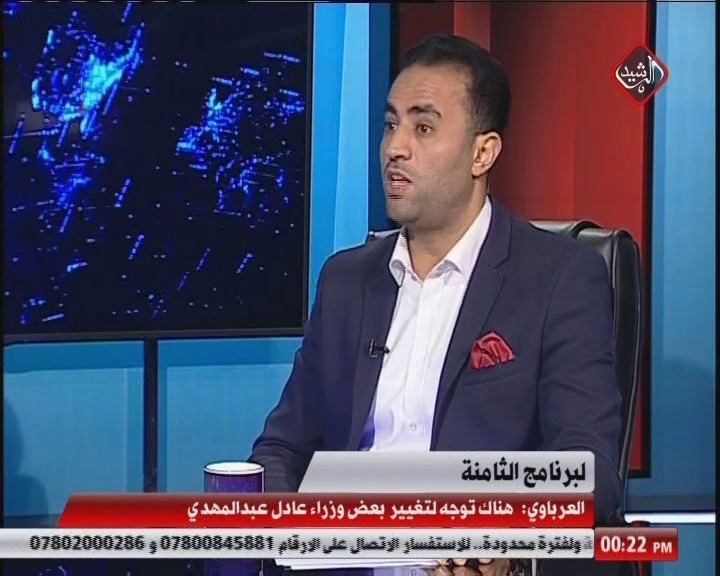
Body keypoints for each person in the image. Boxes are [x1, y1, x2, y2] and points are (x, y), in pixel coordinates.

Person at [250, 34, 622, 573]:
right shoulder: (346, 281)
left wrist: (509, 545)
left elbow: (590, 469)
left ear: (482, 152)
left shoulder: (559, 278)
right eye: (390, 125)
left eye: (423, 128)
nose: (395, 148)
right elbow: (281, 449)